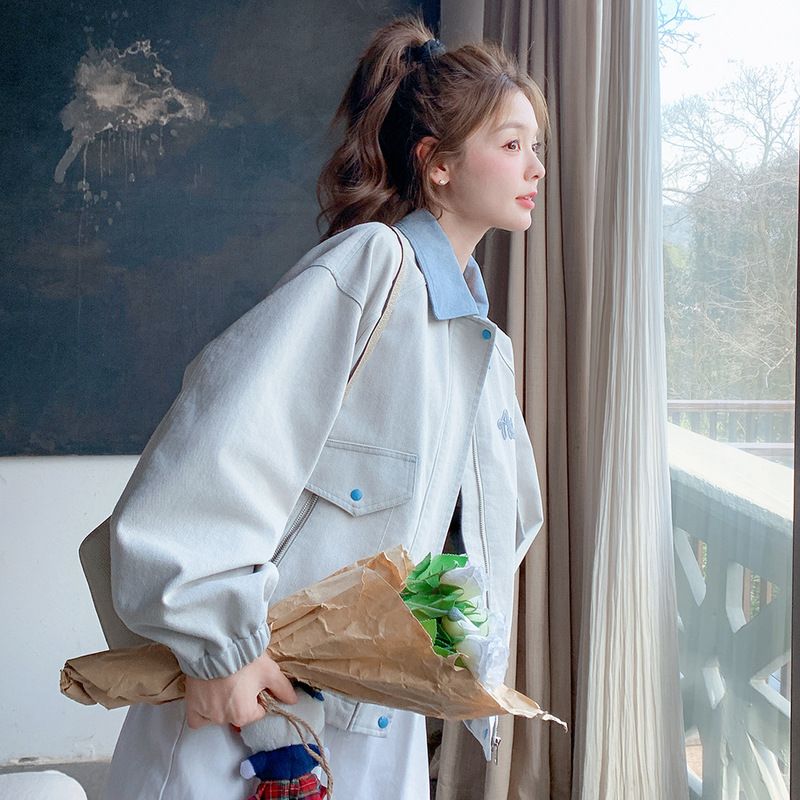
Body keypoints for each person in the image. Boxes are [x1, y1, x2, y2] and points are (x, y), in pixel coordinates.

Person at [102, 16, 546, 800]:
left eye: (535, 146)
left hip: (373, 710)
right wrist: (220, 649)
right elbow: (215, 447)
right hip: (250, 706)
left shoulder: (483, 344)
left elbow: (465, 536)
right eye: (512, 144)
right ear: (438, 163)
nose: (535, 166)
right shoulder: (372, 266)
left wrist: (434, 656)